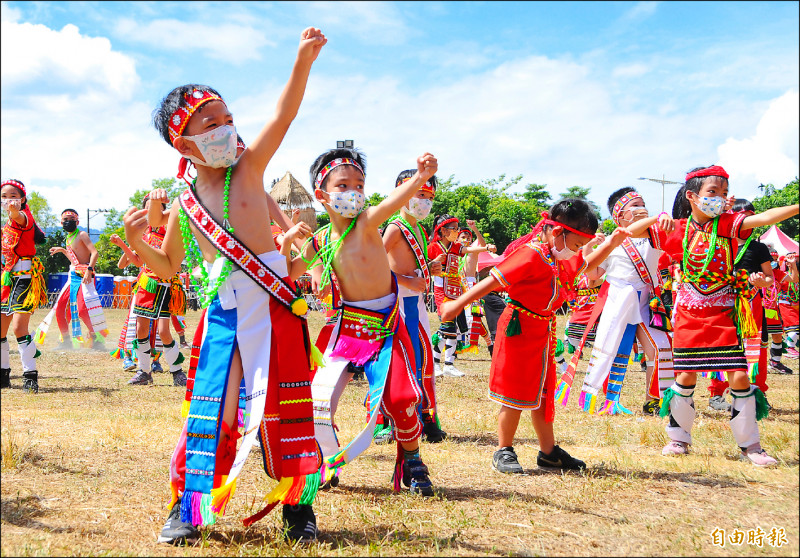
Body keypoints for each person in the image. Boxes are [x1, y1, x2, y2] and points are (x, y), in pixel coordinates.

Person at [123, 27, 327, 544]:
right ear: (182, 141)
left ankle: (298, 509)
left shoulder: (250, 169)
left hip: (277, 305)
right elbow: (167, 268)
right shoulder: (183, 203)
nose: (226, 129)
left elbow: (284, 114)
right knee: (212, 406)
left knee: (290, 406)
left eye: (229, 118)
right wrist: (133, 241)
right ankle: (191, 509)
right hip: (223, 312)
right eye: (211, 123)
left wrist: (302, 60)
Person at [439, 200, 635, 474]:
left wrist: (612, 243)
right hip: (519, 327)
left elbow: (584, 263)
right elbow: (493, 281)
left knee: (542, 392)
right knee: (515, 389)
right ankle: (503, 449)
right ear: (557, 233)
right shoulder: (531, 254)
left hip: (543, 329)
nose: (578, 251)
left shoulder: (557, 257)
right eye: (577, 244)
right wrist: (456, 304)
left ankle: (548, 452)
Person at [300, 147, 439, 497]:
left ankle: (412, 459)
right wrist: (313, 269)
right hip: (345, 325)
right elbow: (310, 270)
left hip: (384, 323)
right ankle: (323, 457)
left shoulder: (366, 222)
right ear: (322, 195)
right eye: (343, 184)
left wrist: (420, 178)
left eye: (359, 184)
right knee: (316, 398)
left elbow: (393, 201)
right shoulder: (319, 241)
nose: (354, 191)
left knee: (402, 396)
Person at [658, 165, 798, 466]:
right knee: (685, 375)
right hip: (689, 314)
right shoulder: (678, 229)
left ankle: (751, 446)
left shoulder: (728, 225)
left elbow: (763, 217)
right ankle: (678, 438)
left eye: (723, 193)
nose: (720, 199)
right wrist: (656, 218)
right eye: (712, 192)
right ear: (692, 196)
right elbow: (635, 229)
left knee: (738, 375)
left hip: (723, 312)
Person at [565, 187, 676, 416]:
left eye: (642, 203)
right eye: (634, 206)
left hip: (647, 302)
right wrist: (590, 246)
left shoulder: (653, 234)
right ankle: (609, 401)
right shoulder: (613, 242)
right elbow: (593, 274)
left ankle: (654, 400)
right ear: (619, 214)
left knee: (662, 348)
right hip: (618, 300)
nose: (640, 208)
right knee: (613, 350)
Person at [382, 170, 447, 443]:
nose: (425, 201)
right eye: (420, 194)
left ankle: (424, 414)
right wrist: (407, 279)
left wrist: (427, 270)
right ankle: (387, 420)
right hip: (397, 304)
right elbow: (373, 268)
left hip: (416, 304)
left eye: (429, 196)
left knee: (423, 359)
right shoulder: (395, 228)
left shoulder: (418, 230)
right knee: (400, 361)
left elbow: (412, 269)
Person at [707, 199, 777, 411]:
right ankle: (716, 394)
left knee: (756, 349)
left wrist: (760, 282)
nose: (748, 223)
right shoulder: (718, 243)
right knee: (722, 347)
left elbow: (769, 278)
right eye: (743, 218)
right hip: (723, 303)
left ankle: (758, 393)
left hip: (751, 306)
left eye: (751, 218)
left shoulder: (758, 247)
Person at [125, 192, 187, 387]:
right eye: (149, 207)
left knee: (164, 331)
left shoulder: (171, 231)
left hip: (165, 284)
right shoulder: (142, 235)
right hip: (146, 284)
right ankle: (144, 371)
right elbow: (136, 261)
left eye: (158, 207)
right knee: (140, 330)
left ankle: (177, 371)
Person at [35, 209, 109, 350]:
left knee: (82, 310)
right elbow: (74, 261)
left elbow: (95, 253)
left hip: (85, 275)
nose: (67, 221)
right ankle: (66, 342)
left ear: (77, 221)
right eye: (65, 219)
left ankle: (97, 339)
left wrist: (89, 270)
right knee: (60, 308)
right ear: (61, 222)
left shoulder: (82, 234)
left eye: (71, 219)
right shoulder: (68, 238)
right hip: (73, 275)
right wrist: (63, 251)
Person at [1, 179, 48, 392]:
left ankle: (30, 375)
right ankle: (3, 374)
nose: (8, 200)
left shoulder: (24, 219)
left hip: (25, 279)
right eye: (4, 197)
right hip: (7, 279)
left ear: (22, 199)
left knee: (20, 328)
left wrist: (13, 211)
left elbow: (17, 216)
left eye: (13, 196)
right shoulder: (6, 227)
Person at [428, 215, 490, 376]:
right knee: (446, 328)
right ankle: (435, 364)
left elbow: (471, 249)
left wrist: (487, 248)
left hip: (455, 292)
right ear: (443, 230)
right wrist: (434, 261)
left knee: (453, 330)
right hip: (442, 292)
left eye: (457, 228)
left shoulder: (455, 248)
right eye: (454, 228)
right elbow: (421, 266)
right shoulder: (433, 247)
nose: (456, 231)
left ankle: (448, 365)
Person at [457, 225, 497, 356]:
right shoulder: (455, 251)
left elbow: (483, 244)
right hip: (458, 287)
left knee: (474, 317)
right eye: (463, 237)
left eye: (468, 237)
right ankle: (456, 346)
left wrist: (474, 229)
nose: (466, 239)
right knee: (458, 318)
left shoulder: (473, 250)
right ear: (457, 239)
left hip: (470, 286)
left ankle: (488, 342)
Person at [776, 253, 799, 360]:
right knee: (794, 326)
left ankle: (790, 346)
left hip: (795, 305)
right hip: (785, 304)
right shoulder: (783, 274)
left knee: (796, 327)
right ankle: (789, 348)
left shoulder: (796, 275)